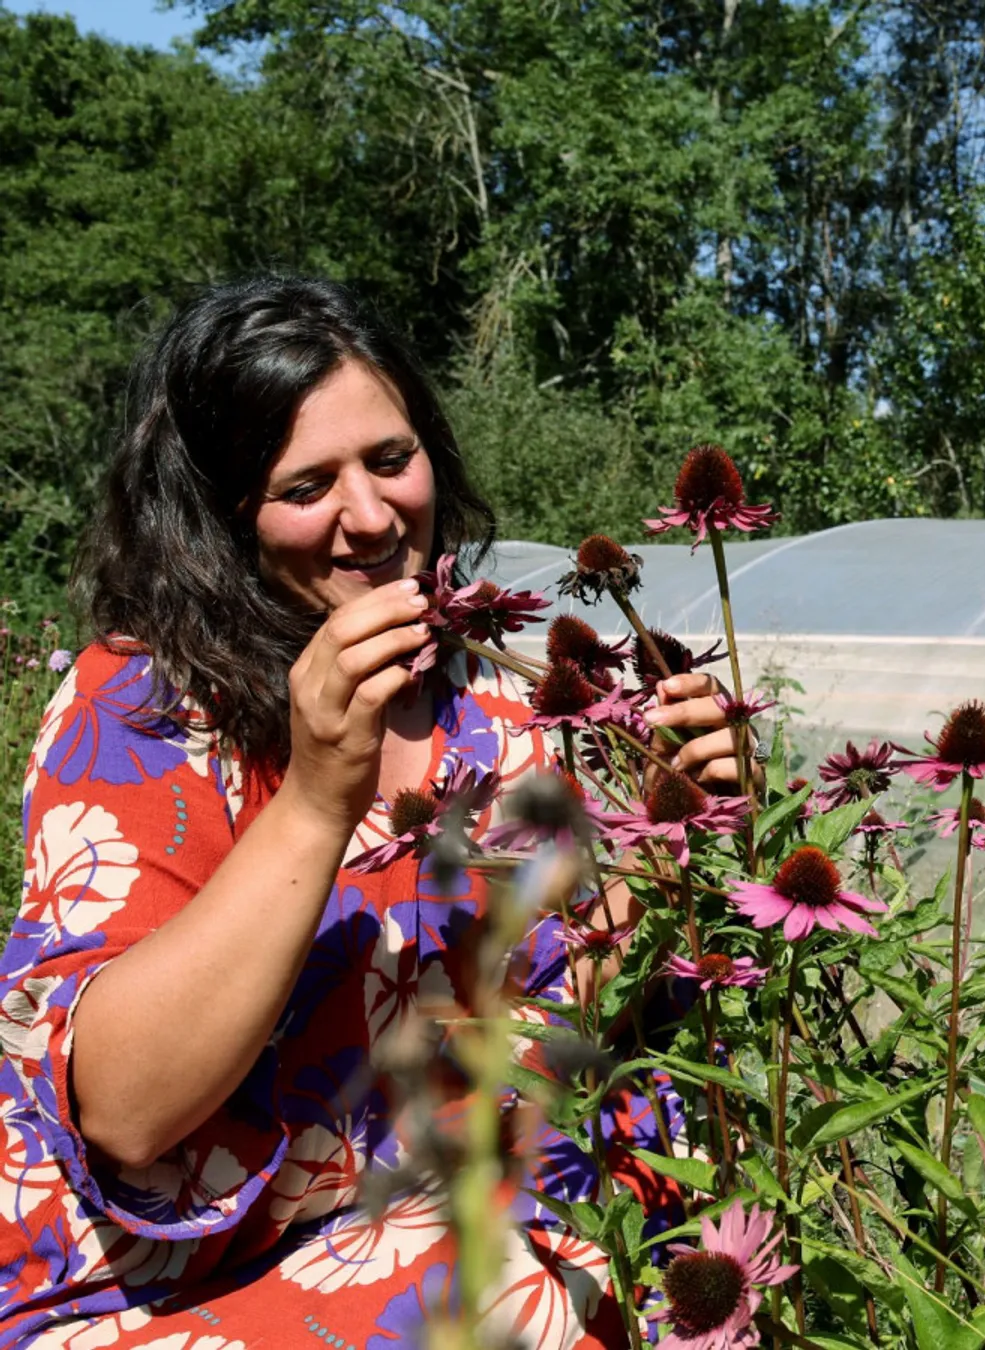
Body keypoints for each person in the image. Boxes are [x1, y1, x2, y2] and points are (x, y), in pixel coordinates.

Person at [0, 277, 742, 1346]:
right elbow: (124, 1112)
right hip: (150, 1285)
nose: (371, 515)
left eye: (392, 461)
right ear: (220, 520)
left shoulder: (494, 706)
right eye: (307, 485)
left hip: (419, 1213)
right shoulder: (143, 706)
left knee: (656, 1211)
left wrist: (681, 837)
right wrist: (314, 799)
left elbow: (547, 1003)